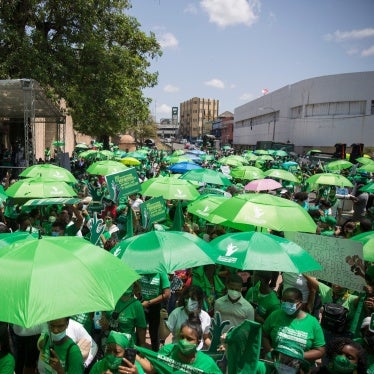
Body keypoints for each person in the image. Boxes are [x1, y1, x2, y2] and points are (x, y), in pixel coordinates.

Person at [136, 316, 221, 373]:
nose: (184, 341)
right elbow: (152, 368)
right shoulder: (168, 351)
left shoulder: (207, 364)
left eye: (189, 339)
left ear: (198, 342)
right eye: (181, 337)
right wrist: (132, 351)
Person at [262, 287, 325, 364]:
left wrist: (298, 356)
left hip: (299, 366)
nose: (286, 303)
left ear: (300, 303)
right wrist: (271, 350)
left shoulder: (313, 322)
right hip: (275, 362)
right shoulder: (275, 315)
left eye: (290, 301)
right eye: (284, 300)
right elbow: (264, 335)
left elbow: (320, 351)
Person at [160, 285, 211, 350]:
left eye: (193, 299)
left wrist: (214, 347)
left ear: (199, 301)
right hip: (178, 351)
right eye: (187, 298)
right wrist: (161, 319)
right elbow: (163, 336)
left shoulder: (205, 317)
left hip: (197, 353)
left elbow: (205, 338)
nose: (189, 301)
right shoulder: (176, 313)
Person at [100, 283, 146, 348]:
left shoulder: (137, 305)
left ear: (134, 285)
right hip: (108, 345)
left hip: (126, 346)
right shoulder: (109, 300)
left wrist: (142, 347)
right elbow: (101, 325)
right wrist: (103, 323)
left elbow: (141, 329)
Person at [138, 272, 170, 352]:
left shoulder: (161, 273)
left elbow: (167, 294)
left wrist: (149, 302)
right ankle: (139, 355)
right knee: (140, 331)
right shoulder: (141, 270)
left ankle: (155, 356)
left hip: (156, 306)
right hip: (141, 305)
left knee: (154, 333)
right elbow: (136, 287)